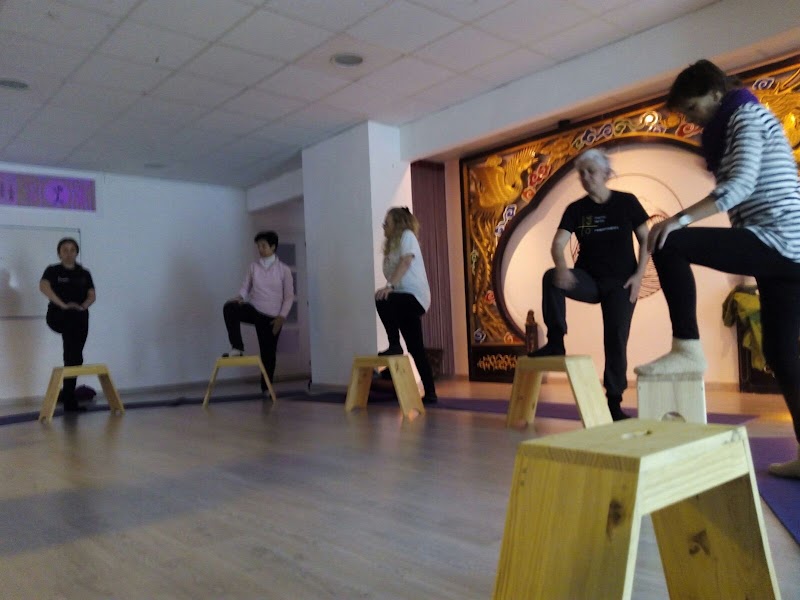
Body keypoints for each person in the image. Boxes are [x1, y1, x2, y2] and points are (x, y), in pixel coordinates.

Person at [635, 59, 800, 479]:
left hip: (778, 239)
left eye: (692, 109)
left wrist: (678, 219)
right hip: (785, 249)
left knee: (668, 240)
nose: (690, 120)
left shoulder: (746, 115)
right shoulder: (734, 123)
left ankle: (687, 348)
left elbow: (739, 186)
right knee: (781, 354)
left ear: (715, 93)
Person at [529, 148, 651, 421]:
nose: (585, 177)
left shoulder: (627, 202)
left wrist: (639, 275)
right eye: (581, 173)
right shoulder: (576, 209)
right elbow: (558, 244)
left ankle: (614, 402)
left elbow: (646, 239)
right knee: (551, 277)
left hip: (622, 283)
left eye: (591, 171)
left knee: (615, 338)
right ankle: (556, 341)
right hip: (588, 280)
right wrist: (562, 267)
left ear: (606, 173)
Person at [375, 207, 437, 404]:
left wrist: (389, 287)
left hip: (415, 297)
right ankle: (431, 393)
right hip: (402, 299)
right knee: (415, 347)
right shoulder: (392, 247)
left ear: (398, 224)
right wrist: (391, 287)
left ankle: (394, 344)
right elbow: (394, 269)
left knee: (382, 298)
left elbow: (406, 262)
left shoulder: (407, 236)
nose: (384, 226)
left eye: (387, 223)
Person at [223, 231, 294, 394]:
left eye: (263, 246)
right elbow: (245, 286)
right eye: (258, 246)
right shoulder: (253, 267)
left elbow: (289, 296)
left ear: (273, 247)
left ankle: (266, 389)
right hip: (255, 310)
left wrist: (281, 317)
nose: (260, 249)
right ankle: (237, 347)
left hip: (272, 318)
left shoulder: (284, 270)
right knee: (229, 307)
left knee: (268, 354)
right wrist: (240, 297)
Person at [39, 237, 96, 412]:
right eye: (65, 250)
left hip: (79, 316)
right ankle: (69, 399)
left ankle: (67, 394)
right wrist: (63, 305)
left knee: (76, 357)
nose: (69, 253)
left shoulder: (84, 273)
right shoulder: (53, 270)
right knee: (72, 352)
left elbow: (92, 295)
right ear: (59, 253)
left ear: (77, 252)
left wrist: (82, 306)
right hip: (58, 315)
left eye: (72, 250)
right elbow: (44, 286)